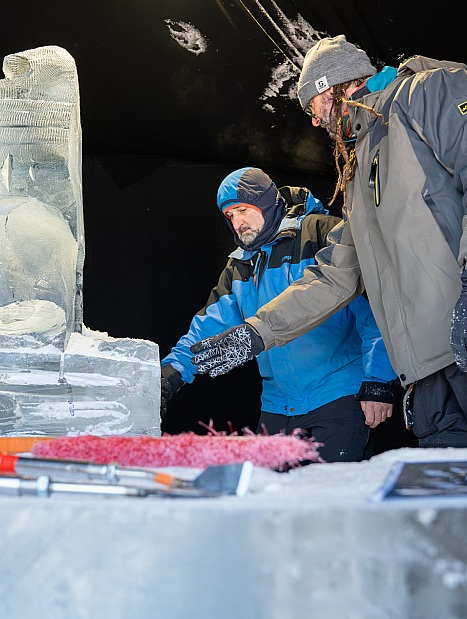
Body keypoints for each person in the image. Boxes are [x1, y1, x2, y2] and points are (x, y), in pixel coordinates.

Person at [189, 36, 467, 448]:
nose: (314, 122)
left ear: (332, 86)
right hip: (436, 371)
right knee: (457, 508)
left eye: (311, 107)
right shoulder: (358, 174)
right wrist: (256, 333)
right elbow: (334, 275)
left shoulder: (426, 91)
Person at [160, 166, 397, 462]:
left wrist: (378, 381)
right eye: (230, 215)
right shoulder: (239, 267)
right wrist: (171, 374)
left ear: (265, 201)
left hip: (337, 397)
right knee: (269, 499)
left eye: (243, 210)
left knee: (325, 499)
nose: (237, 222)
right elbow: (207, 329)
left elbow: (374, 313)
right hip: (277, 405)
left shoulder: (324, 233)